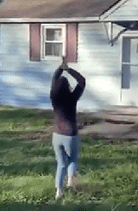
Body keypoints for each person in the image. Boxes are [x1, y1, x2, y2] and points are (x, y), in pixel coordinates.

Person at [50, 56, 86, 200]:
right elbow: (82, 81)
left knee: (61, 163)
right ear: (68, 87)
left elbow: (54, 79)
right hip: (70, 134)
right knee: (73, 159)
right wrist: (69, 69)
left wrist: (60, 68)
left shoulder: (53, 96)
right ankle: (70, 180)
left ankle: (59, 191)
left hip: (56, 135)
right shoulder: (72, 98)